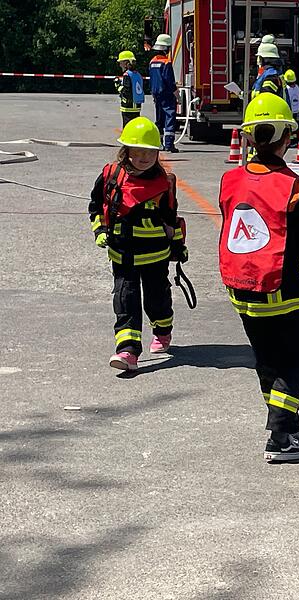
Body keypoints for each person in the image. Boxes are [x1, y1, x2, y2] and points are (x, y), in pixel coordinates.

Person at [218, 93, 299, 462]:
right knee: (296, 358)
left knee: (266, 359)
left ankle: (285, 419)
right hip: (283, 292)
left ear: (249, 137)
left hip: (241, 290)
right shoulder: (295, 188)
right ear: (289, 137)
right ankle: (281, 435)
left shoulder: (230, 180)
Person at [88, 117, 187, 371]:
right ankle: (128, 351)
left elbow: (170, 219)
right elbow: (96, 207)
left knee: (157, 300)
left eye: (150, 152)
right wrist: (99, 230)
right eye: (138, 151)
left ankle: (163, 330)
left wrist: (178, 247)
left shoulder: (164, 183)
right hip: (122, 255)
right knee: (125, 299)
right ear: (126, 151)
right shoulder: (111, 175)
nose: (144, 157)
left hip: (156, 257)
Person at [149, 34, 180, 153]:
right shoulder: (166, 63)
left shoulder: (152, 62)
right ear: (166, 48)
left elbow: (152, 80)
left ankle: (159, 143)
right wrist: (178, 96)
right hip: (167, 95)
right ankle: (169, 144)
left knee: (159, 119)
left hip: (156, 94)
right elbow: (170, 82)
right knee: (169, 118)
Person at [114, 51, 144, 128]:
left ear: (126, 63)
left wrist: (118, 86)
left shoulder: (127, 75)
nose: (120, 65)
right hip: (136, 105)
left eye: (121, 62)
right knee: (135, 126)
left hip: (128, 106)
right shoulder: (137, 74)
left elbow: (126, 91)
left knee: (127, 126)